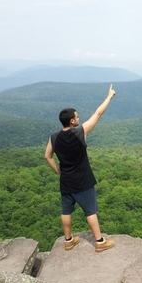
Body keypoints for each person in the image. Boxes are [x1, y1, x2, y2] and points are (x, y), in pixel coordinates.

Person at [44, 84, 116, 252]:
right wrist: (109, 96)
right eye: (76, 116)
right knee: (90, 211)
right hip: (83, 180)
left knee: (66, 210)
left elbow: (47, 156)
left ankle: (68, 240)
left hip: (66, 181)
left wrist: (57, 170)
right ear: (72, 121)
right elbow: (98, 113)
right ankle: (99, 242)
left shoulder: (54, 137)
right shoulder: (80, 132)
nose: (78, 118)